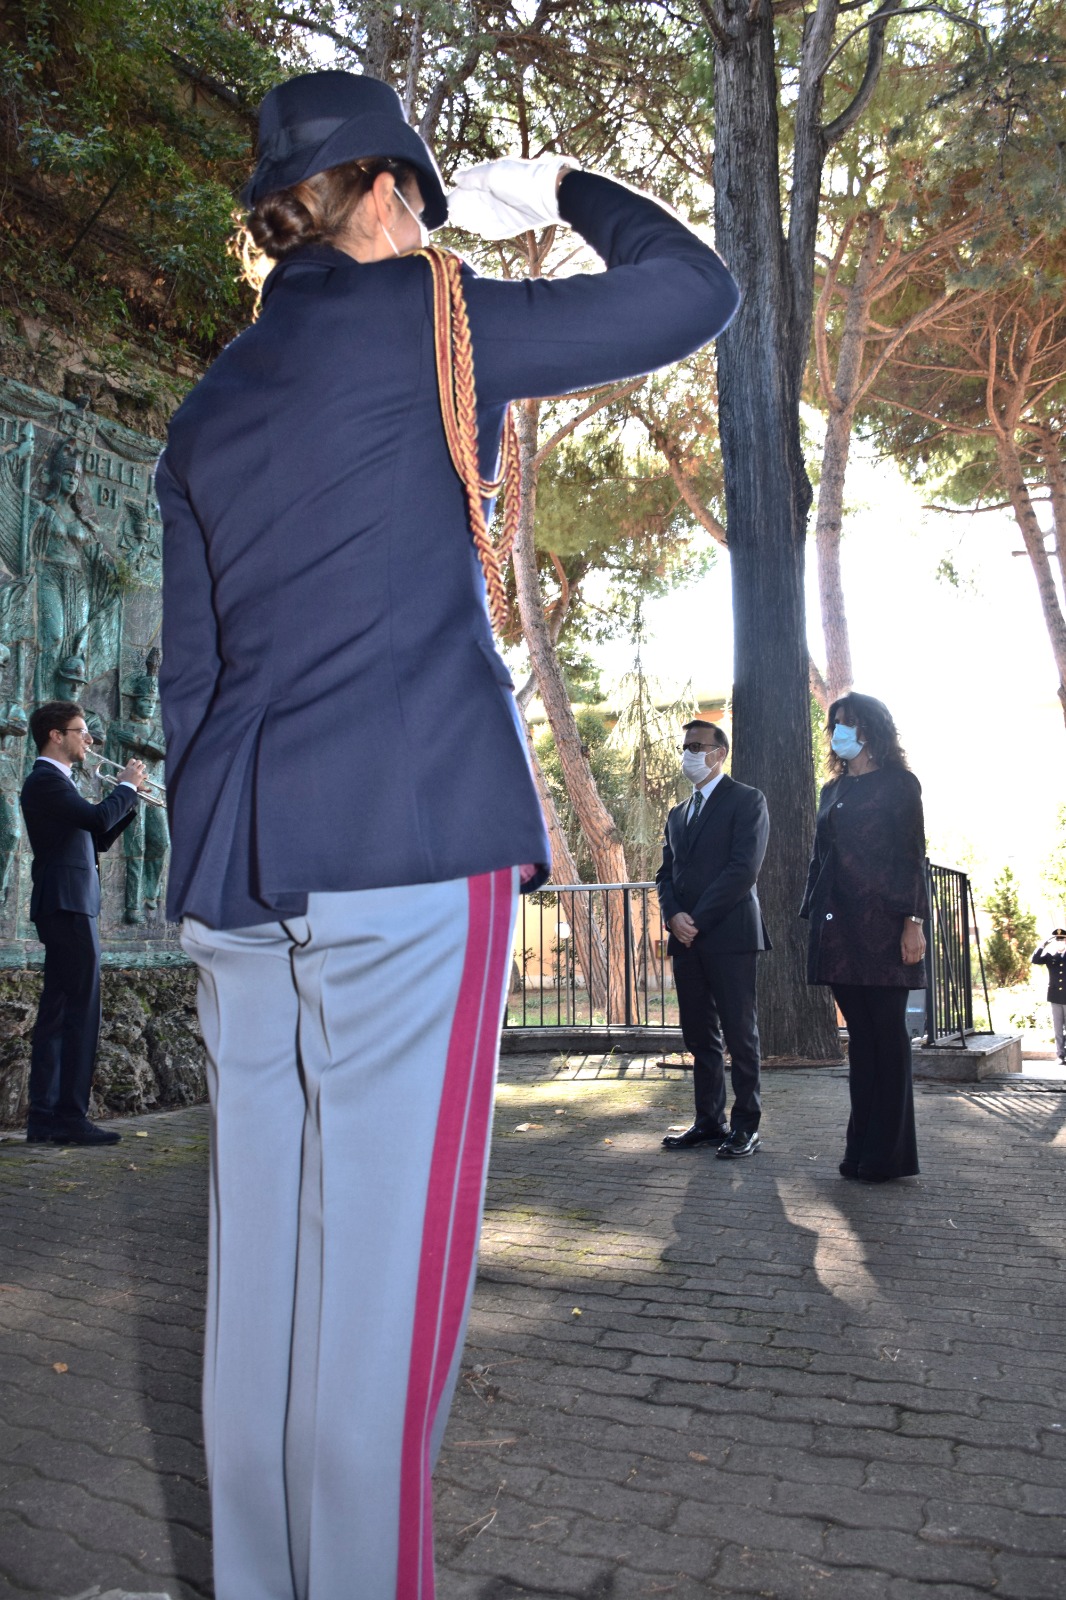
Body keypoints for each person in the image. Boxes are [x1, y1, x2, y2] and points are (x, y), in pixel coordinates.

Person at [155, 69, 740, 1600]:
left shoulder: (209, 405)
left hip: (239, 884)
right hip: (409, 860)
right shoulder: (437, 315)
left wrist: (222, 878)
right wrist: (558, 193)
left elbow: (192, 676)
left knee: (263, 1313)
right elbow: (694, 291)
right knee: (378, 1335)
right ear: (396, 193)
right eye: (421, 197)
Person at [801, 692, 927, 1182]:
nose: (838, 733)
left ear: (871, 731)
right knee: (861, 1040)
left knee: (886, 1038)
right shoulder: (831, 789)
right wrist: (812, 912)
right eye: (834, 724)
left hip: (887, 925)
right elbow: (819, 856)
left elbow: (912, 853)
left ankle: (888, 1156)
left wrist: (913, 920)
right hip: (839, 927)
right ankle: (861, 1150)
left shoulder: (900, 784)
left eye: (848, 724)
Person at [21, 700, 144, 1146]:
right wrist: (126, 788)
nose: (89, 739)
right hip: (67, 904)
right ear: (56, 735)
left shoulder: (59, 784)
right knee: (80, 1012)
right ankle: (69, 1117)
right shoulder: (45, 780)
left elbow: (97, 836)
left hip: (71, 903)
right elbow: (94, 817)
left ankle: (47, 1118)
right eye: (81, 731)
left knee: (58, 1012)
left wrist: (129, 802)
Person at [656, 719, 770, 1158]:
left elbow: (744, 869)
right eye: (685, 746)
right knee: (699, 1035)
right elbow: (665, 875)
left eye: (697, 746)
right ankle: (709, 1120)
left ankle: (746, 1126)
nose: (689, 753)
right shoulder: (677, 814)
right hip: (686, 940)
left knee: (741, 1034)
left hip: (730, 935)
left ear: (720, 753)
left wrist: (697, 918)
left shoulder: (747, 800)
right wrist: (673, 917)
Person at [1032, 928, 1066, 1063]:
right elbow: (1034, 960)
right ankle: (1060, 1055)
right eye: (1057, 940)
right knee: (1058, 1028)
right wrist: (1043, 944)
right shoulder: (1051, 957)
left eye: (1062, 939)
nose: (1060, 942)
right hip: (1055, 997)